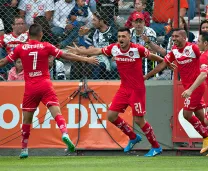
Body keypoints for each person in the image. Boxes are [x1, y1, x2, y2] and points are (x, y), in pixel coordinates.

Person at [67, 27, 177, 156]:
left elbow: (154, 57)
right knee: (111, 116)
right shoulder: (114, 48)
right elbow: (97, 50)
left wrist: (167, 63)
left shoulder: (137, 49)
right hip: (124, 89)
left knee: (139, 120)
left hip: (137, 90)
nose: (121, 39)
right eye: (119, 37)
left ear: (129, 37)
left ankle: (156, 147)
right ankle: (133, 137)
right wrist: (80, 51)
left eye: (124, 36)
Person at [0, 23, 98, 159]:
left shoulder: (21, 48)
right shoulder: (46, 46)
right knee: (56, 111)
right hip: (45, 84)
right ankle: (64, 133)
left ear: (28, 35)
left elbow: (4, 61)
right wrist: (86, 59)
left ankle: (24, 149)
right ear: (41, 34)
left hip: (30, 87)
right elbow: (66, 56)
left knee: (27, 119)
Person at [144, 28, 208, 154]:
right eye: (172, 36)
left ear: (184, 38)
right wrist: (146, 76)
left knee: (186, 114)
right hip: (188, 87)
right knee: (203, 118)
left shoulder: (193, 48)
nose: (173, 39)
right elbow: (162, 64)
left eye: (176, 36)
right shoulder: (174, 51)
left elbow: (206, 60)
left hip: (195, 87)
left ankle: (207, 137)